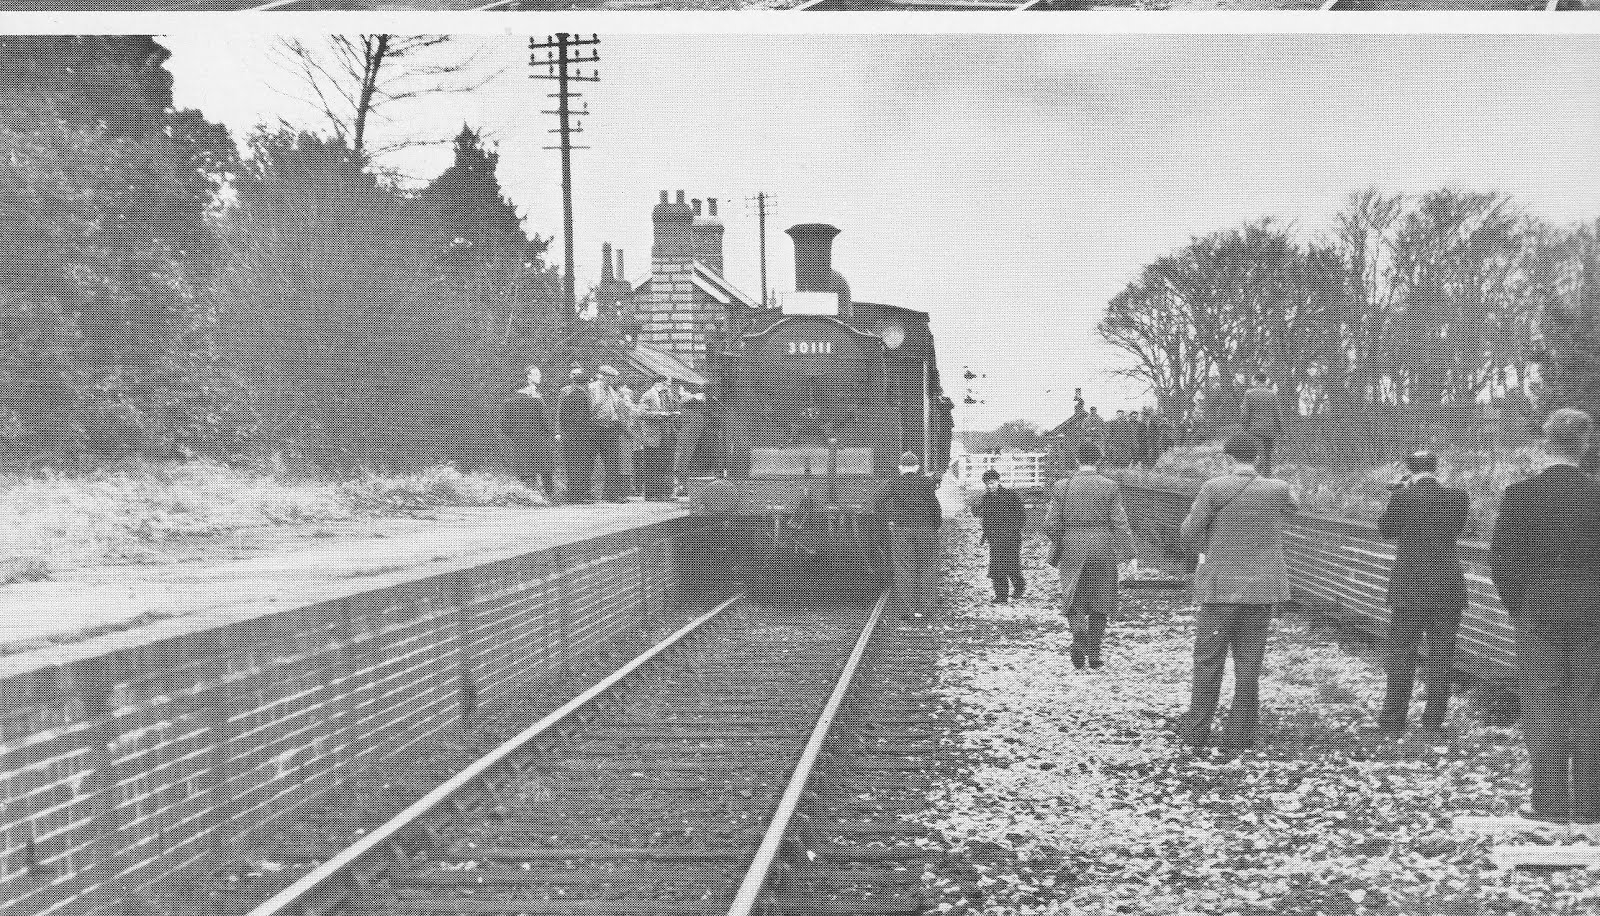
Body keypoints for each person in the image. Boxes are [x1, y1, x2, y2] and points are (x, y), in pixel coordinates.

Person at [1490, 408, 1600, 826]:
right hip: (1594, 616)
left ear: (1546, 443)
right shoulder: (1597, 494)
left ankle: (1550, 806)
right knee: (1592, 704)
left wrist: (1522, 607)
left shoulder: (1520, 495)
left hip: (1539, 615)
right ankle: (1592, 807)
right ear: (1585, 445)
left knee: (1543, 703)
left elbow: (1502, 563)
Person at [1176, 433, 1299, 753]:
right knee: (1249, 664)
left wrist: (1208, 542)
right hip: (1261, 591)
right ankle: (1240, 733)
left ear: (1228, 459)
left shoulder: (1213, 488)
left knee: (1207, 662)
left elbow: (1188, 531)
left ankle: (1197, 732)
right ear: (1257, 458)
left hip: (1219, 590)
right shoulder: (1277, 489)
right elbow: (1295, 508)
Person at [1375, 451, 1471, 737]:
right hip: (1446, 586)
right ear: (1435, 468)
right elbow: (1457, 528)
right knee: (1441, 654)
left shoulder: (1403, 497)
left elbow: (1386, 530)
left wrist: (1397, 494)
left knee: (1402, 652)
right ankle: (1433, 719)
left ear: (1409, 469)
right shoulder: (1458, 497)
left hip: (1409, 587)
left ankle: (1393, 721)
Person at [1044, 443, 1135, 670]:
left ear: (1076, 459)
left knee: (1073, 597)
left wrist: (1062, 541)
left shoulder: (1061, 486)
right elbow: (1120, 524)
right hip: (1102, 547)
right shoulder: (1110, 487)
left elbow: (1050, 524)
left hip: (1072, 546)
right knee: (1101, 600)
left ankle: (1079, 636)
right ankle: (1094, 654)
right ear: (1099, 460)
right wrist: (1129, 554)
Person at [871, 451, 943, 618]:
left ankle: (908, 611)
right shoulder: (926, 482)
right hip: (926, 530)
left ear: (900, 467)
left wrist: (887, 520)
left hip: (902, 530)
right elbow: (935, 506)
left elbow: (878, 501)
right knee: (927, 568)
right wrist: (935, 526)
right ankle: (927, 609)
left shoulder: (894, 482)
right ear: (917, 467)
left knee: (904, 569)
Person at [499, 366, 559, 499]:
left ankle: (529, 497)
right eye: (536, 374)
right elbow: (545, 421)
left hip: (521, 441)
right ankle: (550, 496)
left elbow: (503, 424)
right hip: (539, 440)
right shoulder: (537, 400)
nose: (540, 376)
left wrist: (514, 435)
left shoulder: (508, 402)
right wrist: (550, 433)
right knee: (545, 469)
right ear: (528, 378)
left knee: (526, 469)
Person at [973, 469, 1026, 604]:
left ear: (998, 481)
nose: (990, 486)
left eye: (992, 483)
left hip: (1011, 538)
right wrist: (986, 534)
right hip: (995, 538)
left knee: (1012, 565)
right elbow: (985, 518)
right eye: (987, 484)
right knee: (996, 567)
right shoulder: (986, 498)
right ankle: (1001, 595)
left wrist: (1014, 529)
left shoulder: (1011, 495)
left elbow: (1021, 516)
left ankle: (1019, 586)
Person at [556, 366, 597, 503]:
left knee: (572, 465)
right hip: (579, 437)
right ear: (584, 384)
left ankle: (575, 494)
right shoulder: (580, 396)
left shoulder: (570, 395)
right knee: (579, 465)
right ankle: (577, 495)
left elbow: (561, 415)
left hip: (570, 436)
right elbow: (581, 420)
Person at [588, 365, 629, 502]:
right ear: (604, 377)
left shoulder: (611, 390)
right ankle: (591, 493)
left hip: (611, 427)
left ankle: (611, 495)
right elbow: (591, 408)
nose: (614, 380)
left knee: (612, 462)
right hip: (596, 427)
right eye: (611, 377)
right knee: (592, 461)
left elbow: (617, 407)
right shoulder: (593, 388)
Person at [635, 377, 677, 501]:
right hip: (653, 436)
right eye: (665, 384)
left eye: (668, 385)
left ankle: (665, 493)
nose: (667, 387)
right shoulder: (648, 395)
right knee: (652, 465)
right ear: (657, 383)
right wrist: (659, 415)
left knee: (665, 465)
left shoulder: (667, 396)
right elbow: (641, 413)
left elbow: (672, 408)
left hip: (667, 435)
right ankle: (651, 494)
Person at [1240, 373, 1286, 475]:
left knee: (1261, 456)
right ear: (1265, 381)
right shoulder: (1272, 394)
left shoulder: (1249, 393)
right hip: (1270, 431)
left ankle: (1250, 480)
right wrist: (1282, 431)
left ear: (1256, 380)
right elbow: (1278, 414)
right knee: (1267, 458)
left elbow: (1245, 414)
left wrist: (1244, 427)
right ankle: (1267, 482)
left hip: (1255, 431)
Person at [673, 382, 709, 497]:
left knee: (681, 464)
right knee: (683, 464)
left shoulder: (690, 414)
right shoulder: (699, 416)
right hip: (690, 444)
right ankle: (683, 487)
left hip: (687, 443)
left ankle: (682, 487)